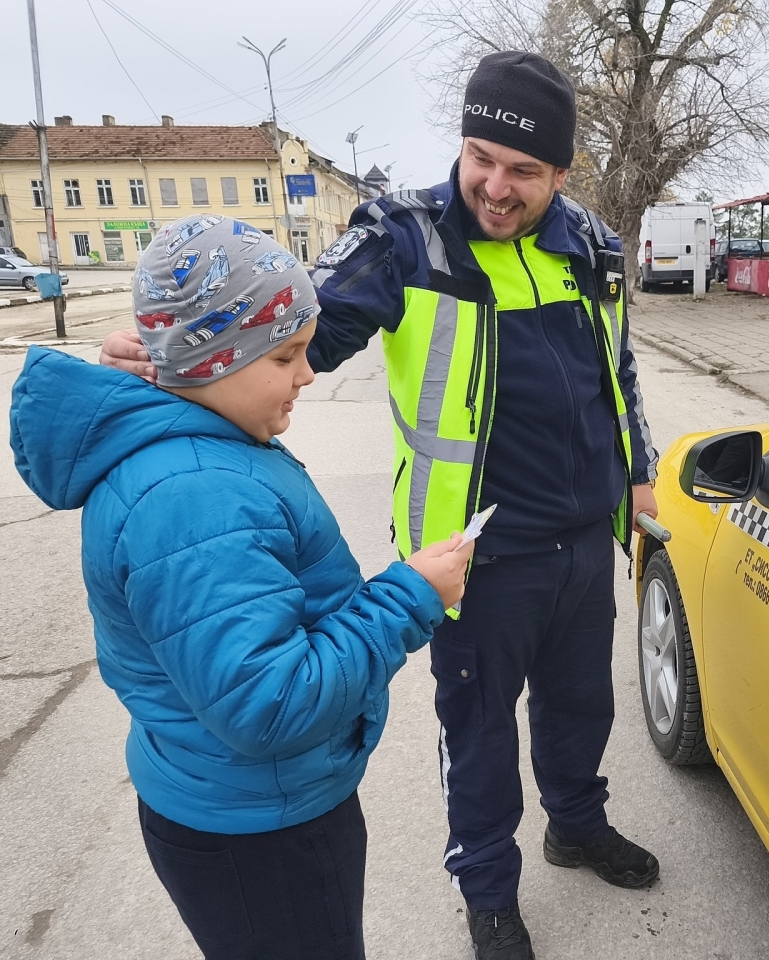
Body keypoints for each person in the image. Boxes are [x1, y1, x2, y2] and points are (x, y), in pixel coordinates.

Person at [102, 51, 659, 960]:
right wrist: (177, 357)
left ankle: (577, 823)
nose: (496, 186)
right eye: (481, 157)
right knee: (478, 734)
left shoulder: (593, 244)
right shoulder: (404, 238)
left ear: (561, 173)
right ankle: (487, 887)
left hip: (582, 541)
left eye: (523, 170)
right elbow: (287, 335)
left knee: (580, 705)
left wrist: (639, 470)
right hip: (472, 556)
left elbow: (619, 368)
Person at [11, 216, 472, 959]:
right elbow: (271, 702)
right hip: (262, 833)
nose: (308, 375)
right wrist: (411, 595)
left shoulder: (199, 441)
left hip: (244, 804)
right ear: (210, 358)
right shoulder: (194, 494)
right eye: (286, 355)